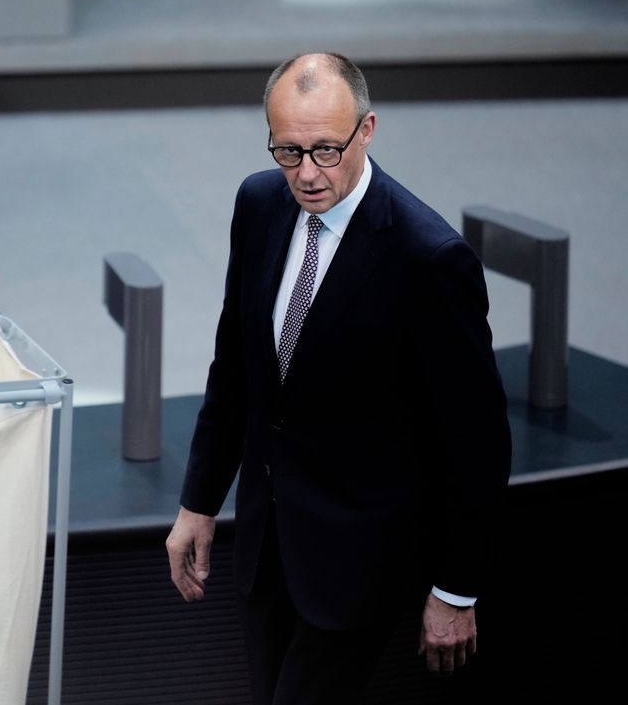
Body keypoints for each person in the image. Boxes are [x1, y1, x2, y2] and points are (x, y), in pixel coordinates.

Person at [165, 52, 512, 704]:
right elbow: (237, 365)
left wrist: (456, 587)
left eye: (326, 150)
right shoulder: (259, 201)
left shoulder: (427, 257)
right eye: (287, 150)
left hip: (361, 564)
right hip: (267, 547)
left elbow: (478, 442)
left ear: (368, 130)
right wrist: (199, 501)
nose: (307, 173)